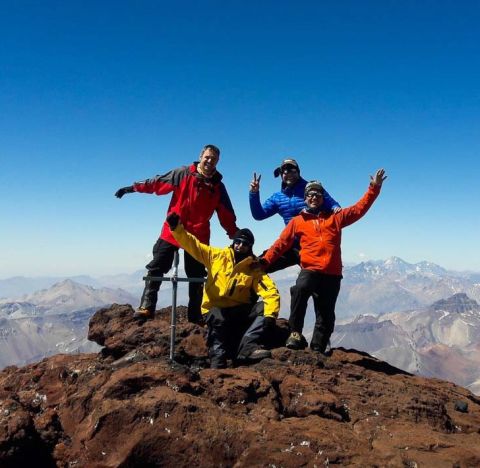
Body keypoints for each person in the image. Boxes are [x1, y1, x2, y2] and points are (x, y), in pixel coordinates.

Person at [261, 169, 387, 354]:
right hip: (310, 269)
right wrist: (265, 262)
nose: (314, 197)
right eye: (310, 194)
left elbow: (360, 208)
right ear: (305, 198)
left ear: (322, 197)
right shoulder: (297, 221)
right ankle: (295, 333)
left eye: (317, 194)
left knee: (326, 314)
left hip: (332, 274)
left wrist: (374, 187)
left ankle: (318, 346)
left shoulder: (335, 218)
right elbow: (280, 245)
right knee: (300, 290)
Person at [115, 144, 239, 323]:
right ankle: (147, 307)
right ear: (201, 156)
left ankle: (195, 316)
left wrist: (235, 235)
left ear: (217, 162)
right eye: (207, 157)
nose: (210, 161)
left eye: (214, 159)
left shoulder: (218, 187)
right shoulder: (182, 174)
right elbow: (156, 183)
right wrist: (132, 188)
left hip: (198, 236)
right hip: (173, 230)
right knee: (157, 265)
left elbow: (226, 214)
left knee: (196, 276)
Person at [167, 212, 280, 369]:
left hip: (238, 310)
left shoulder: (253, 268)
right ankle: (218, 359)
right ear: (234, 242)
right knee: (218, 318)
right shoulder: (217, 256)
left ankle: (247, 346)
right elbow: (194, 245)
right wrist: (177, 229)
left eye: (245, 243)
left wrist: (270, 315)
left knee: (264, 308)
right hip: (214, 308)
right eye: (238, 241)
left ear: (250, 247)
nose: (240, 245)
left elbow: (270, 292)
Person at [249, 158, 341, 272]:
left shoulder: (311, 189)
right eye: (285, 172)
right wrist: (254, 193)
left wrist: (335, 208)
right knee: (258, 267)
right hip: (290, 245)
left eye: (293, 171)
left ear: (298, 172)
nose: (289, 175)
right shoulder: (277, 198)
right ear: (281, 175)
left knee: (313, 284)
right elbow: (258, 215)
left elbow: (332, 204)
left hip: (311, 246)